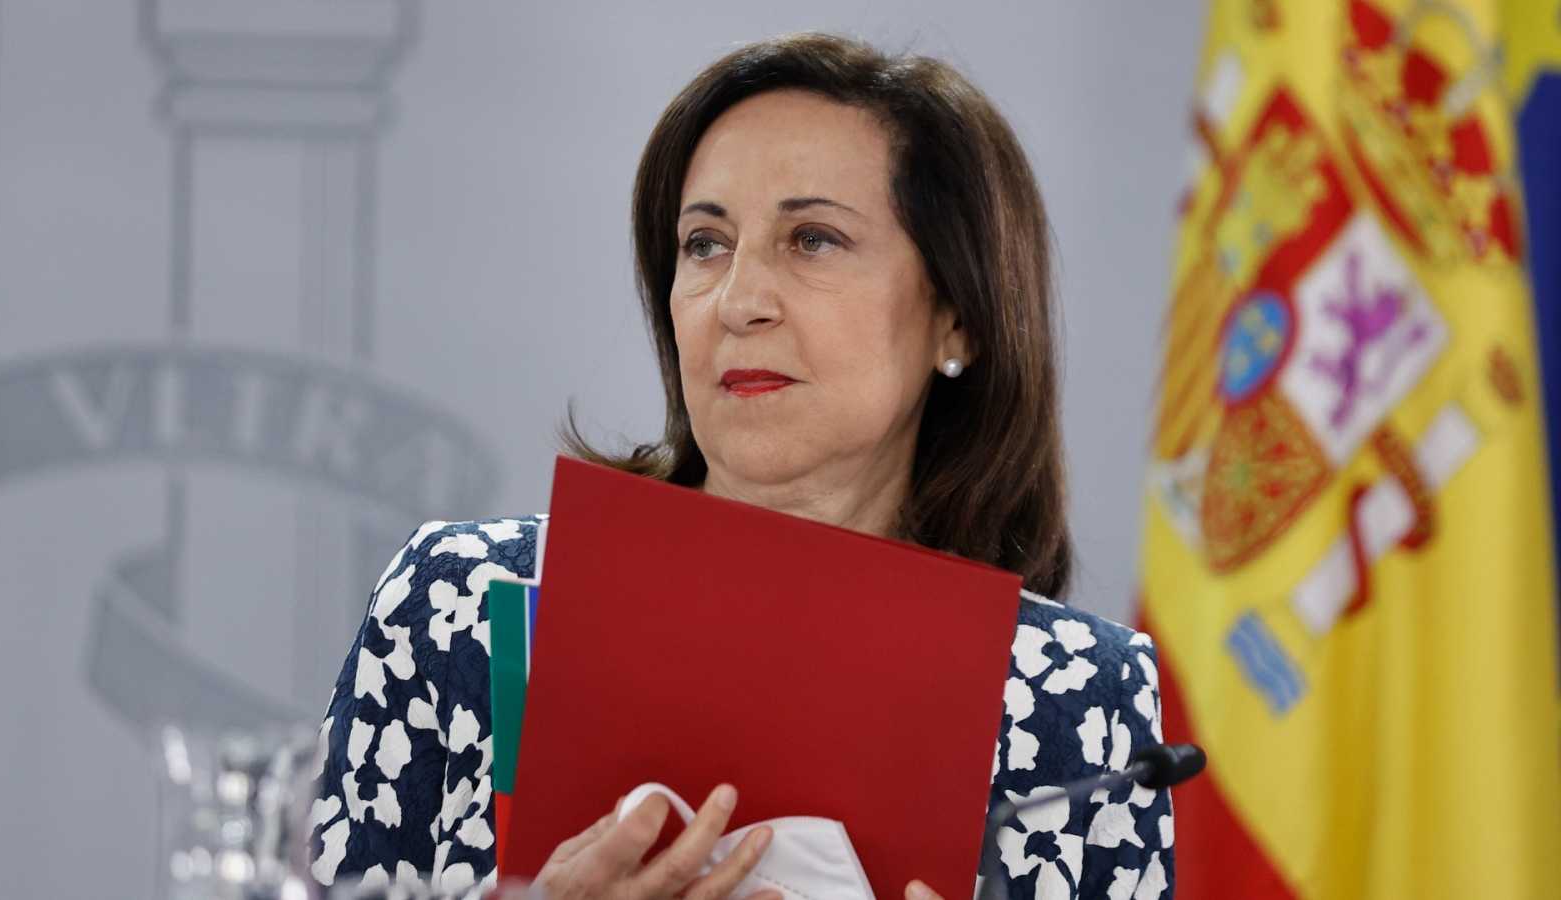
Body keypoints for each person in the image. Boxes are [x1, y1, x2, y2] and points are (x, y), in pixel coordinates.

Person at [310, 32, 1174, 900]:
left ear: (958, 316)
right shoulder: (457, 605)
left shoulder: (1082, 703)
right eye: (704, 243)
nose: (739, 301)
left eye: (813, 240)